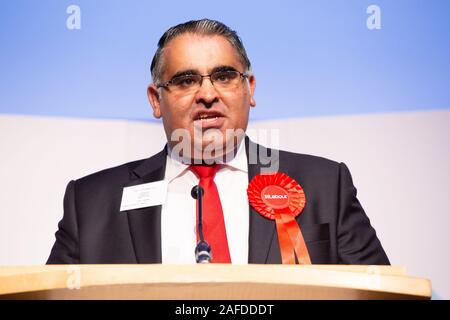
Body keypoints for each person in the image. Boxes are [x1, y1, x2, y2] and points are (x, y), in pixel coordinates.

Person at [47, 19, 389, 265]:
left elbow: (380, 293)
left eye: (224, 76)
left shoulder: (324, 185)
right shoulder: (91, 202)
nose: (207, 94)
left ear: (249, 88)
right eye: (185, 80)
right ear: (155, 100)